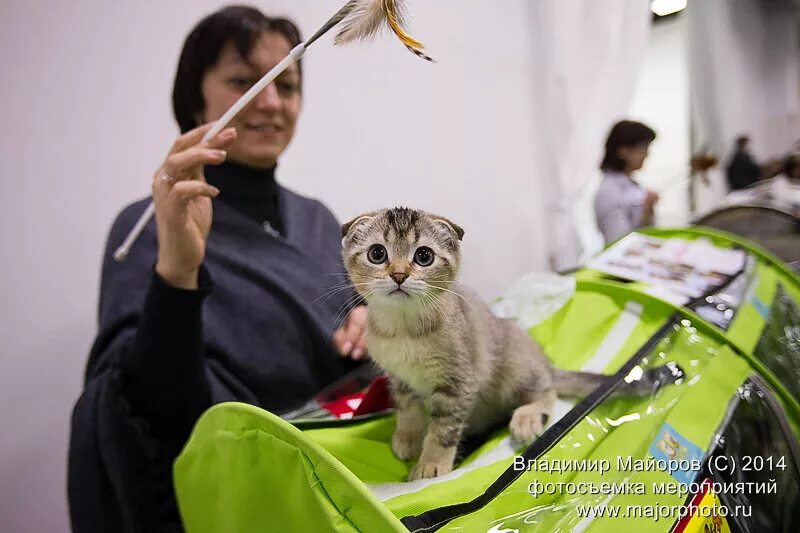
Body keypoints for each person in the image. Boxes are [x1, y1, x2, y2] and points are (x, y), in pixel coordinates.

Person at [68, 6, 368, 532]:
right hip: (244, 504)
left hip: (350, 488)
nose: (271, 102)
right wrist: (178, 272)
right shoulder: (146, 227)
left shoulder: (320, 220)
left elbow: (366, 341)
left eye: (288, 85)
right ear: (195, 96)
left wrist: (377, 322)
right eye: (243, 82)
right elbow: (151, 417)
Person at [594, 120, 659, 245]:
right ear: (623, 151)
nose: (647, 154)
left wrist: (648, 209)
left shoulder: (630, 184)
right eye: (642, 147)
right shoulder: (609, 191)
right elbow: (618, 243)